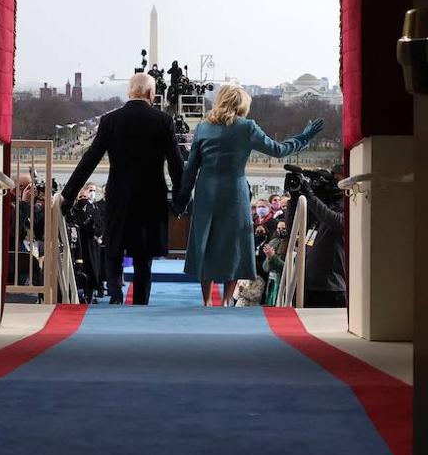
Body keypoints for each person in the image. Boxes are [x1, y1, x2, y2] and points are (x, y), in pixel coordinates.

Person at [173, 84, 323, 305]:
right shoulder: (247, 127)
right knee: (235, 245)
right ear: (241, 104)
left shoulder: (203, 127)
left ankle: (206, 301)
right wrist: (304, 137)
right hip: (234, 192)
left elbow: (191, 168)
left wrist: (181, 201)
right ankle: (226, 301)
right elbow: (278, 150)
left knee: (207, 241)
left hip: (206, 192)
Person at [58, 73, 183, 305]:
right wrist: (179, 200)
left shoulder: (110, 120)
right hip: (151, 196)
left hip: (118, 195)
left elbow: (89, 159)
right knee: (144, 256)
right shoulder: (164, 121)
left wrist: (69, 194)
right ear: (151, 93)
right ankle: (141, 303)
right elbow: (176, 165)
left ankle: (115, 297)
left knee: (114, 247)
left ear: (129, 92)